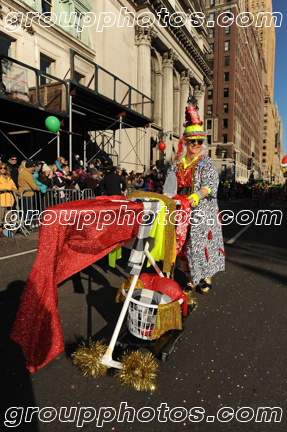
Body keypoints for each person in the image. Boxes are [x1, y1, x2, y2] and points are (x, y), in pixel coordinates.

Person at [172, 105, 225, 294]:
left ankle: (205, 275)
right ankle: (190, 277)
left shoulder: (205, 161)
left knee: (202, 245)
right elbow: (169, 184)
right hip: (180, 210)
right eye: (192, 141)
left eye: (199, 141)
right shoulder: (177, 163)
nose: (195, 144)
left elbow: (211, 182)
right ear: (185, 142)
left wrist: (198, 194)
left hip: (202, 211)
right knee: (183, 246)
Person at [0, 162, 17, 236]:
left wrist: (13, 189)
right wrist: (10, 188)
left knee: (7, 217)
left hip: (10, 200)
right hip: (2, 200)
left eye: (4, 168)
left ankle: (5, 232)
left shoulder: (9, 177)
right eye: (1, 168)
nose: (3, 169)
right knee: (0, 217)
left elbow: (14, 187)